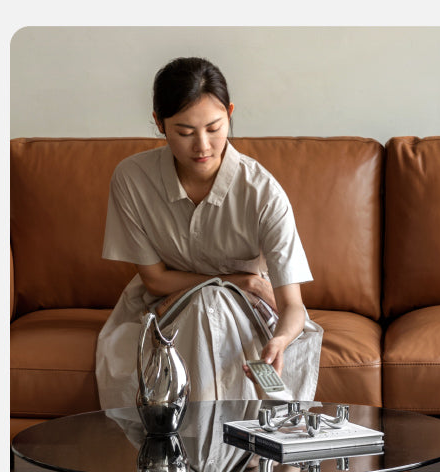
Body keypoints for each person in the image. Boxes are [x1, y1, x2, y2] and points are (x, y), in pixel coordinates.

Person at [96, 56, 322, 409]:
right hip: (165, 305)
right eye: (184, 133)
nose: (202, 146)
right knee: (208, 302)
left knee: (212, 305)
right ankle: (224, 449)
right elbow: (155, 282)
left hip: (249, 311)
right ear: (159, 123)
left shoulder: (262, 192)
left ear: (230, 113)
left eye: (214, 128)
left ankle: (199, 450)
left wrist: (279, 341)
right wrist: (239, 280)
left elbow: (292, 306)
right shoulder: (132, 179)